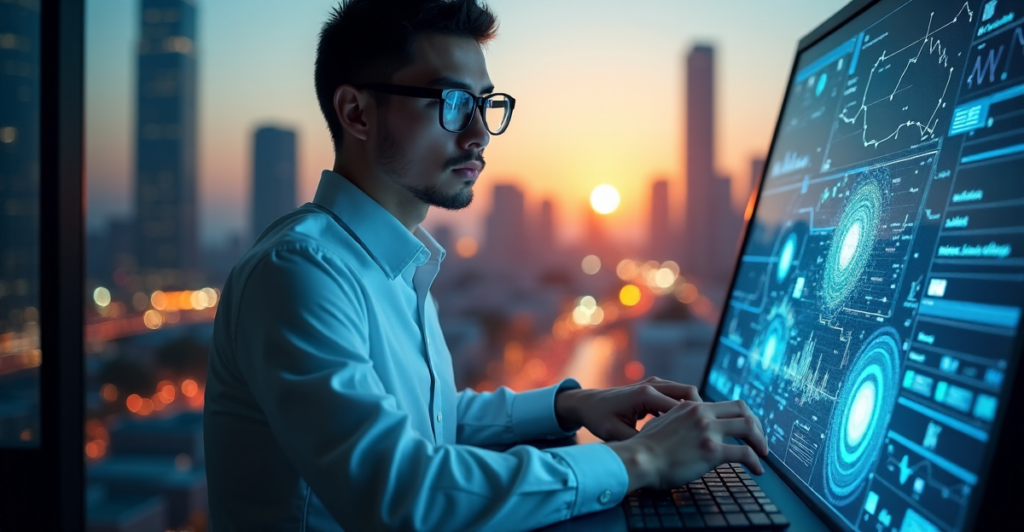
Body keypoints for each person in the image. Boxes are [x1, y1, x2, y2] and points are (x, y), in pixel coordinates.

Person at [203, 0, 768, 530]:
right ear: (357, 112)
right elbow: (402, 492)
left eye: (484, 104)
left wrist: (570, 404)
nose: (478, 134)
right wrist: (641, 458)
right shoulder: (301, 270)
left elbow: (429, 420)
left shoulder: (395, 260)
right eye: (451, 103)